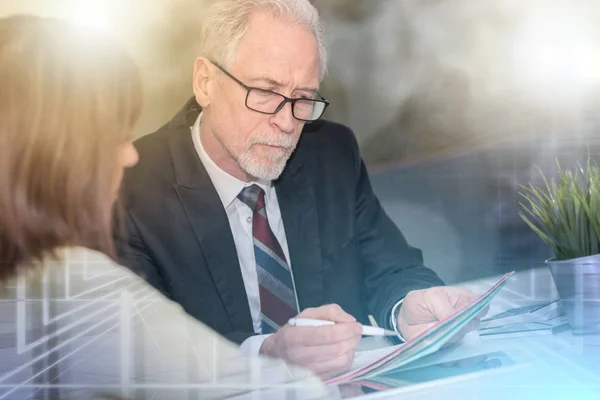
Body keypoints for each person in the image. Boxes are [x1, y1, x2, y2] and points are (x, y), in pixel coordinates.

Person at [117, 0, 482, 379]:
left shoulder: (330, 154)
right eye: (264, 91)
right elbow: (136, 351)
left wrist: (409, 304)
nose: (286, 122)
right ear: (205, 82)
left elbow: (391, 266)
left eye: (303, 98)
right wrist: (266, 354)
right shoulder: (130, 185)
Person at [0, 14, 329, 400]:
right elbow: (275, 394)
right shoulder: (71, 288)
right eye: (114, 137)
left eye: (303, 98)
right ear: (55, 154)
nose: (128, 157)